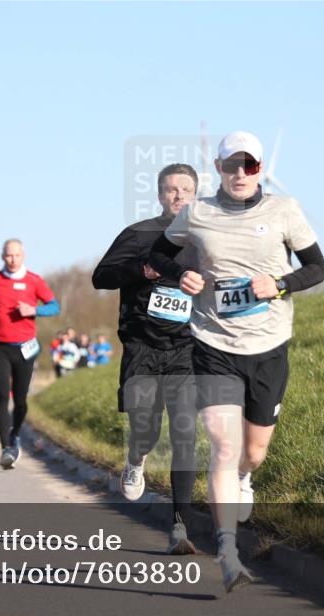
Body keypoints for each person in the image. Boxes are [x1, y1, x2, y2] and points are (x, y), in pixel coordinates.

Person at [150, 133, 324, 591]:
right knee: (223, 448)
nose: (241, 174)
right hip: (213, 345)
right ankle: (227, 549)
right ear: (218, 167)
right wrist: (181, 274)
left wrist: (281, 285)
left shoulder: (284, 210)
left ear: (262, 168)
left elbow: (316, 268)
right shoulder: (197, 213)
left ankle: (246, 477)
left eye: (250, 166)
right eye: (233, 166)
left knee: (252, 452)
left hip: (268, 346)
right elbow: (157, 256)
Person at [93, 162, 201, 556]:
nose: (178, 196)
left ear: (195, 194)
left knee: (185, 435)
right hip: (142, 345)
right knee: (146, 428)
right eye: (171, 190)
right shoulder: (139, 234)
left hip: (187, 348)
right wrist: (142, 270)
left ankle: (180, 528)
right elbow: (100, 277)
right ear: (160, 195)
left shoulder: (206, 237)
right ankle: (136, 459)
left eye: (185, 189)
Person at [0, 239, 60, 469]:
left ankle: (15, 434)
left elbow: (55, 306)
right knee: (0, 396)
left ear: (23, 255)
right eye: (8, 256)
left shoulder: (34, 281)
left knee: (21, 399)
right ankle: (7, 447)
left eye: (16, 255)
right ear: (2, 256)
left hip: (25, 347)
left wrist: (33, 309)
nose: (12, 260)